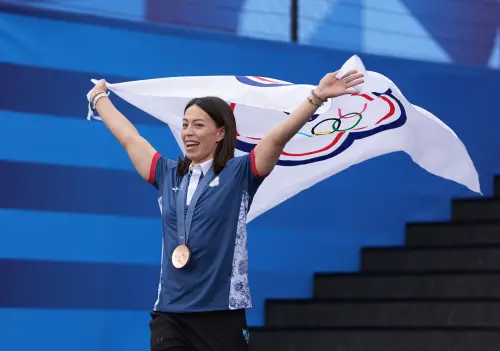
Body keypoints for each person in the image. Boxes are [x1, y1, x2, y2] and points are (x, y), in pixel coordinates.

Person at [86, 69, 364, 351]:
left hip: (221, 314)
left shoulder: (240, 174)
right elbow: (130, 138)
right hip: (170, 314)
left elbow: (276, 139)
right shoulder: (166, 173)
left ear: (220, 132)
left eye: (198, 125)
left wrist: (316, 97)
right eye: (184, 124)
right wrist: (99, 98)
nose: (188, 132)